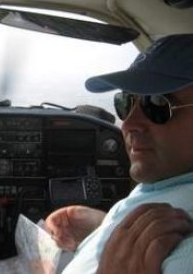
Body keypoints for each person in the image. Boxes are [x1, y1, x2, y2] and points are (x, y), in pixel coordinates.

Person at [46, 33, 193, 273]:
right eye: (126, 102)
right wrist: (106, 227)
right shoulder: (169, 179)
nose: (128, 124)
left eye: (156, 103)